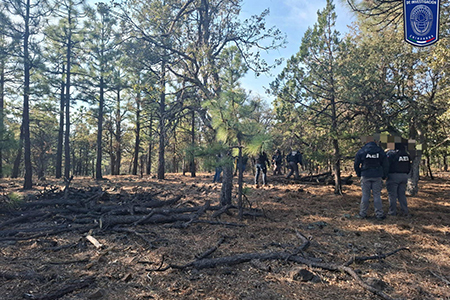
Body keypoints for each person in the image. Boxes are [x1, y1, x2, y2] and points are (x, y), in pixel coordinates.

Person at [354, 140, 389, 220]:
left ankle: (362, 214)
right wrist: (384, 175)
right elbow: (386, 164)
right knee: (377, 195)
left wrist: (359, 174)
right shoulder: (380, 151)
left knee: (365, 195)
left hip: (365, 175)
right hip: (377, 175)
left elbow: (356, 164)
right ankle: (379, 214)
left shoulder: (362, 151)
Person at [386, 144, 412, 217]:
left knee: (392, 195)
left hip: (393, 176)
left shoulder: (392, 154)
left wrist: (385, 175)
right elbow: (409, 166)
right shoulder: (407, 155)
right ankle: (405, 211)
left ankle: (392, 212)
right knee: (402, 195)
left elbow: (387, 164)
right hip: (404, 176)